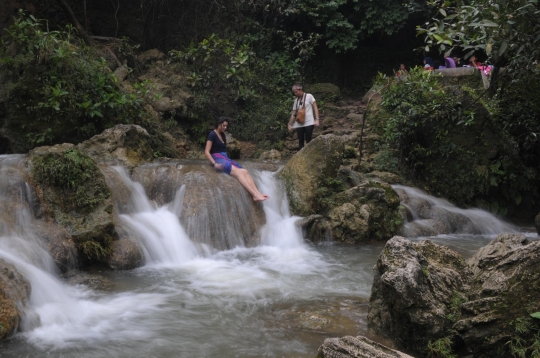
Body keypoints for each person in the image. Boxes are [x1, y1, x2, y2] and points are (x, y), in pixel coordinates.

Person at [205, 117, 269, 202]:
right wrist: (214, 164)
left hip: (225, 158)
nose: (225, 128)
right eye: (223, 125)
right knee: (238, 173)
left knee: (244, 171)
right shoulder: (212, 134)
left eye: (226, 126)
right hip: (217, 159)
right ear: (218, 123)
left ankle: (258, 193)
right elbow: (206, 152)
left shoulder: (223, 135)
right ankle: (254, 195)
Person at [288, 83, 320, 150]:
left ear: (300, 89)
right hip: (299, 123)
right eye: (294, 93)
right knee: (300, 141)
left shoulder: (309, 96)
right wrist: (290, 124)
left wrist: (317, 119)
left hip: (309, 122)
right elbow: (294, 113)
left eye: (296, 92)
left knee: (308, 139)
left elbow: (315, 107)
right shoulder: (296, 101)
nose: (295, 94)